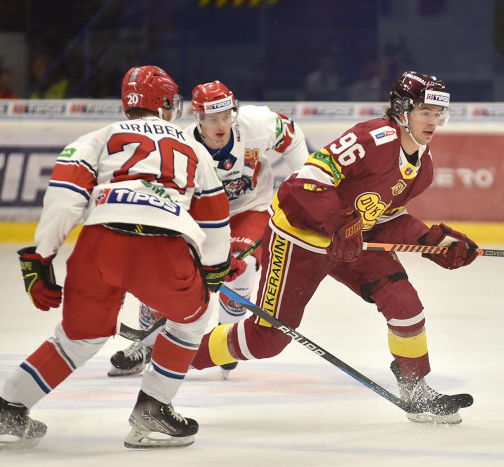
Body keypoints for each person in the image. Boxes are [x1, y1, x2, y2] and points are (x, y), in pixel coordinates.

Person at [189, 71, 479, 425]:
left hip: (352, 240)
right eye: (425, 112)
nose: (433, 122)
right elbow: (306, 182)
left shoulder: (423, 167)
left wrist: (435, 242)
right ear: (402, 110)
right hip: (301, 237)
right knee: (266, 340)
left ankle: (415, 387)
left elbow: (387, 217)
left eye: (437, 114)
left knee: (405, 304)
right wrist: (338, 223)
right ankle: (179, 355)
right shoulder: (371, 139)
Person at [0, 65, 231, 451]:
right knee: (193, 319)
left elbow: (64, 200)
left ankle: (7, 410)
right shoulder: (192, 146)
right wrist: (214, 267)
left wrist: (40, 257)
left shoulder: (97, 137)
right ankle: (153, 408)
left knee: (77, 338)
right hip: (160, 248)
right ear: (163, 103)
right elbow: (214, 216)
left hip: (98, 245)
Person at [108, 80, 310, 379]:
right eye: (213, 119)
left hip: (249, 208)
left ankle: (225, 338)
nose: (221, 125)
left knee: (242, 265)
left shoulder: (257, 125)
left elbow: (291, 135)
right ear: (198, 118)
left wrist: (306, 186)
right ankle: (149, 344)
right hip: (202, 217)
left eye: (227, 116)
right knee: (167, 275)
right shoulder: (181, 147)